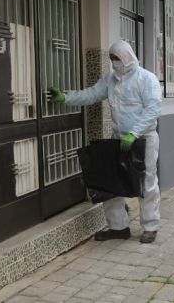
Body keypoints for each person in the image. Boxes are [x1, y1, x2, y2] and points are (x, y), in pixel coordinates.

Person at [48, 40, 162, 244]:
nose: (114, 62)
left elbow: (153, 109)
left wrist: (134, 134)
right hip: (119, 139)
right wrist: (65, 98)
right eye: (111, 59)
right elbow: (91, 94)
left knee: (146, 183)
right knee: (112, 182)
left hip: (143, 140)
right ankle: (118, 227)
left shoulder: (147, 79)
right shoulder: (111, 80)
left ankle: (150, 226)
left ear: (127, 57)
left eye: (116, 58)